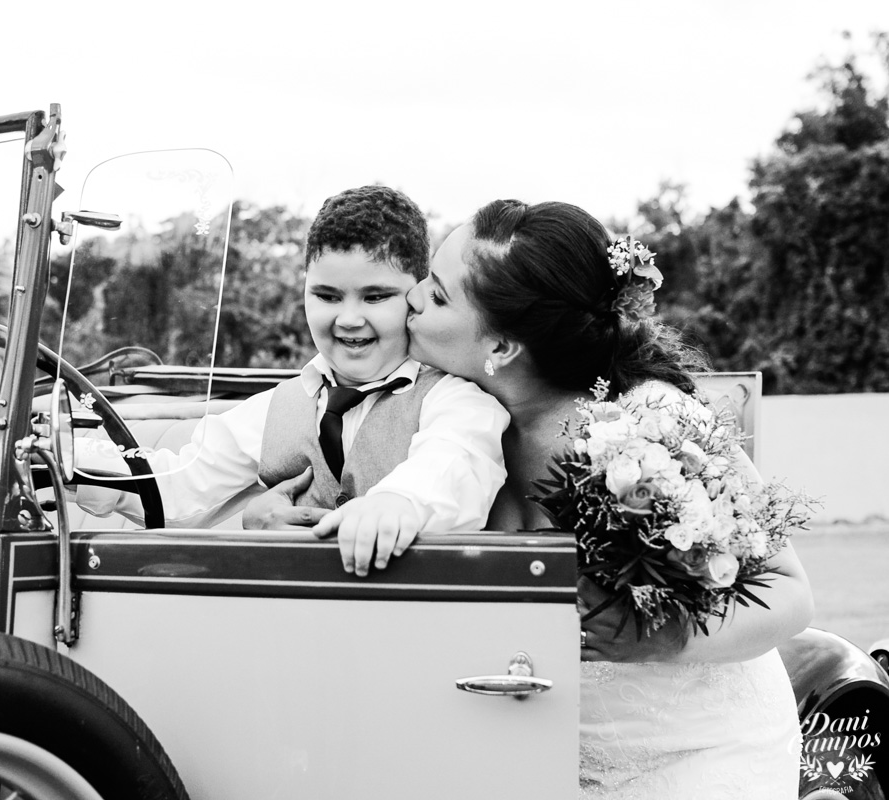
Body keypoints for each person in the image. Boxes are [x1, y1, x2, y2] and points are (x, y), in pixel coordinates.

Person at [250, 199, 813, 797]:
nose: (412, 297)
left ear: (501, 348)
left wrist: (660, 636)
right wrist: (263, 519)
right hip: (524, 746)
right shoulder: (437, 416)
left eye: (437, 295)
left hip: (699, 752)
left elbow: (789, 594)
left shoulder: (646, 420)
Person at [73, 186, 508, 557]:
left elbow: (454, 465)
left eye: (375, 297)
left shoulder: (454, 400)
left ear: (414, 295)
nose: (349, 319)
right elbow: (176, 488)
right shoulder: (277, 408)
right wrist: (66, 461)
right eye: (327, 295)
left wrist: (398, 503)